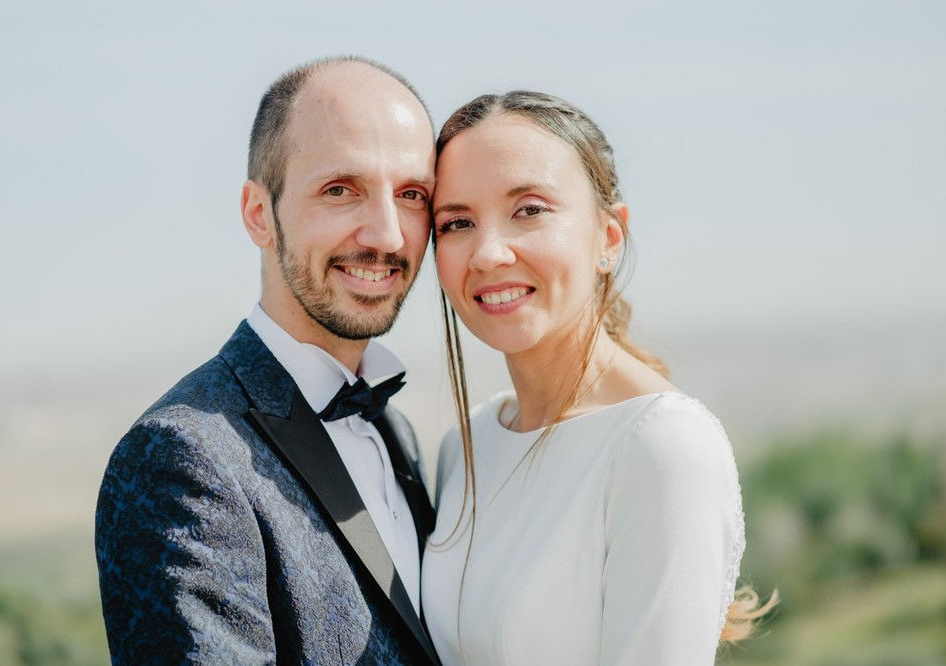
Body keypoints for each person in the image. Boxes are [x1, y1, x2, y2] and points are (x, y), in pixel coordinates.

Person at [95, 56, 441, 665]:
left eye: (412, 194)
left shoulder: (396, 432)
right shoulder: (181, 457)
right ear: (260, 214)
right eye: (341, 190)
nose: (387, 235)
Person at [421, 91, 774, 665]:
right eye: (457, 222)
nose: (487, 253)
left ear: (608, 237)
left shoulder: (663, 446)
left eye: (529, 209)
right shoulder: (463, 448)